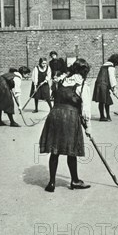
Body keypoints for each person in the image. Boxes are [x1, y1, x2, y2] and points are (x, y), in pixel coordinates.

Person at [39, 58, 93, 192]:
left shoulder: (61, 80)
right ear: (84, 72)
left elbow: (54, 95)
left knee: (54, 150)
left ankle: (51, 183)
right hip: (70, 117)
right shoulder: (83, 85)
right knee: (71, 150)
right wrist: (88, 128)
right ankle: (75, 180)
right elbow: (85, 110)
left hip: (55, 116)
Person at [92, 54, 118, 121]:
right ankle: (108, 116)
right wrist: (114, 88)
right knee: (107, 101)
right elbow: (112, 78)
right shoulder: (111, 67)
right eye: (117, 63)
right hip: (104, 85)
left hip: (98, 84)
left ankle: (102, 116)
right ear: (115, 62)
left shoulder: (103, 66)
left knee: (101, 101)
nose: (117, 65)